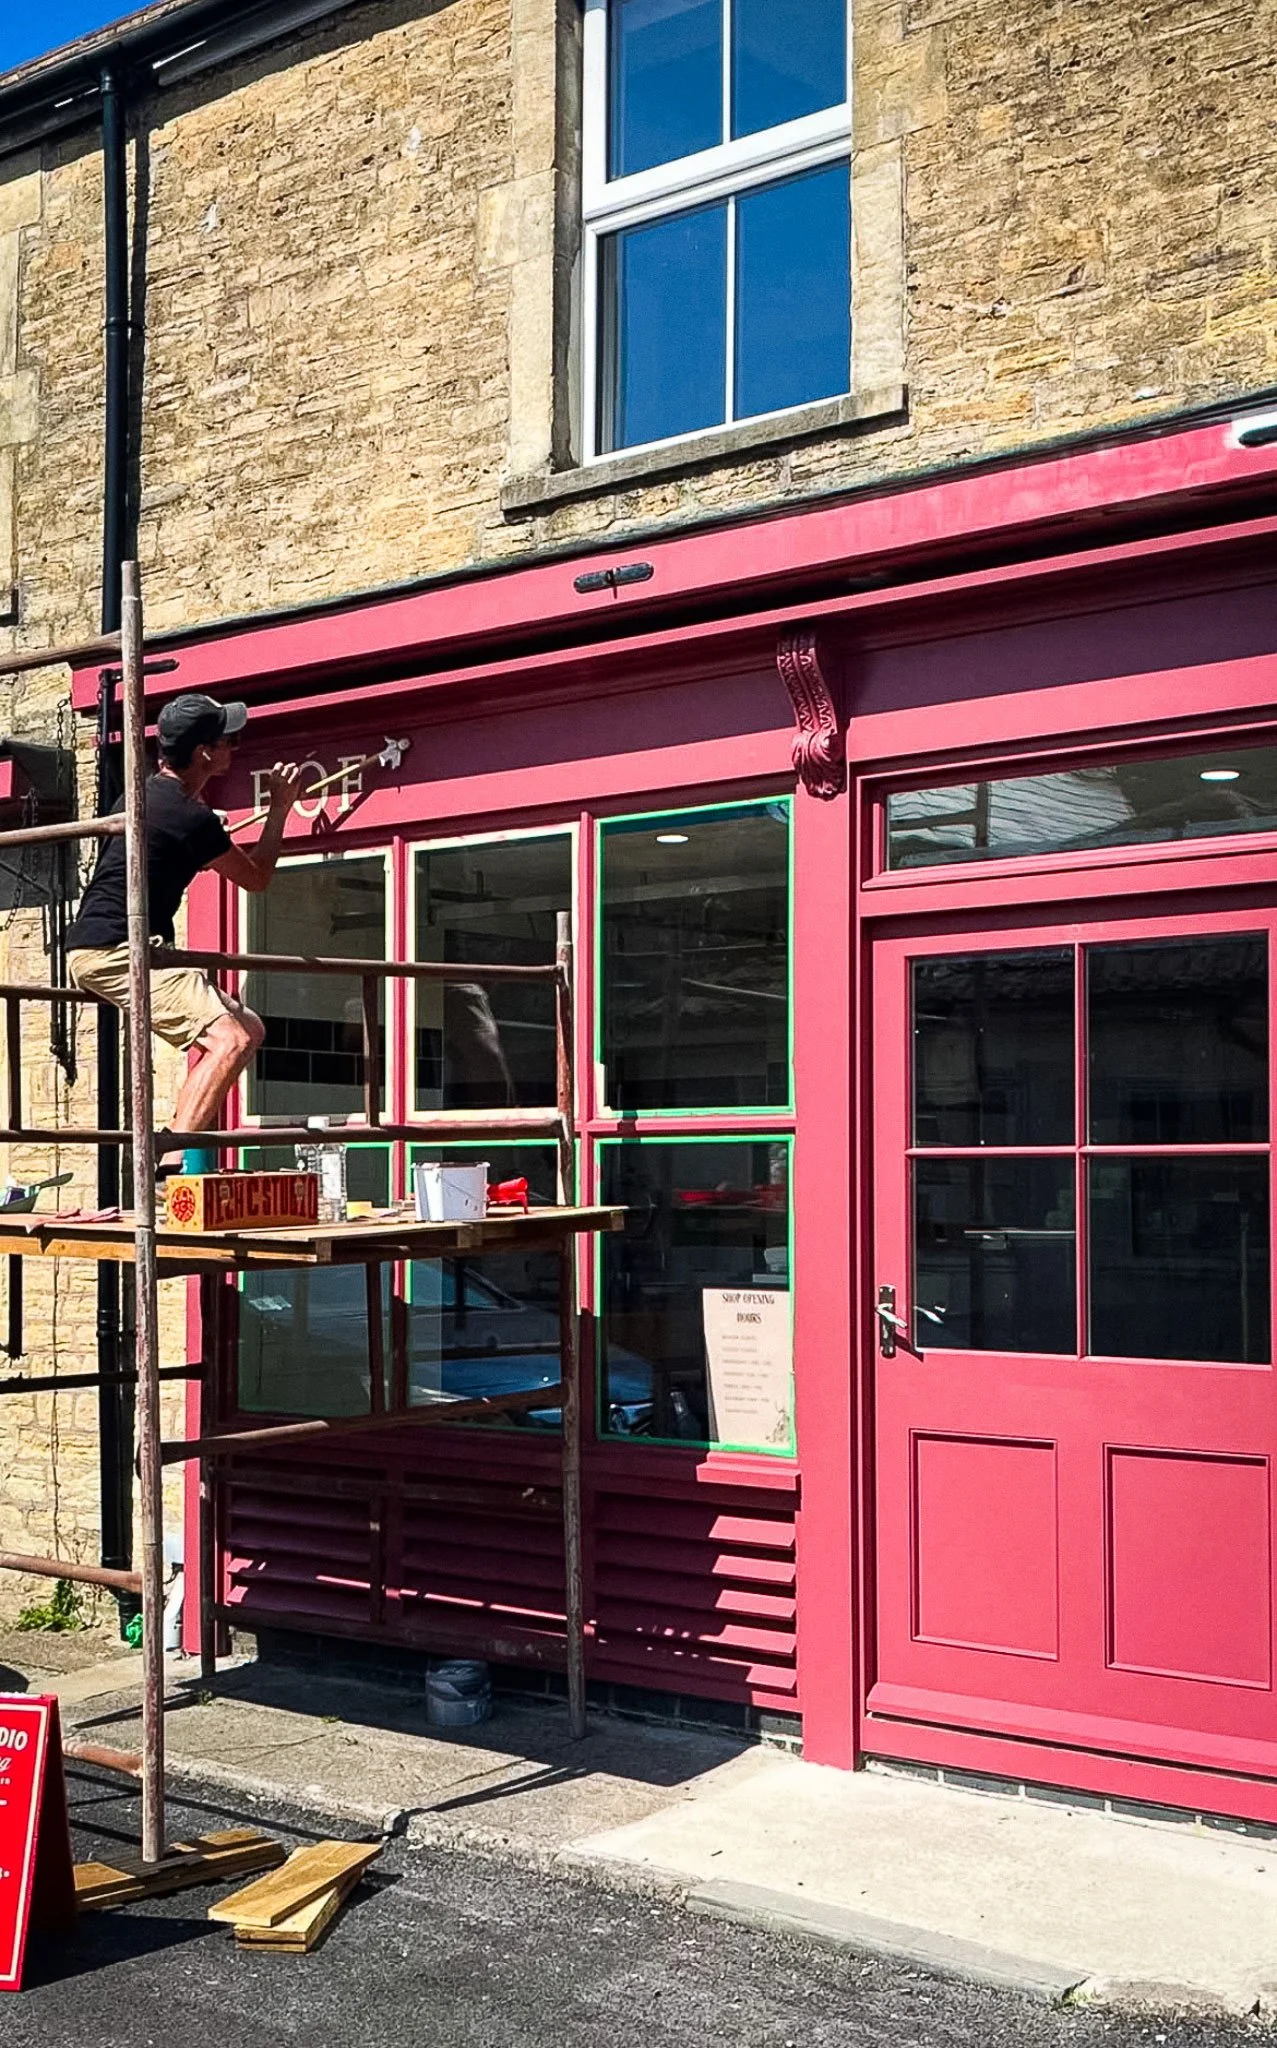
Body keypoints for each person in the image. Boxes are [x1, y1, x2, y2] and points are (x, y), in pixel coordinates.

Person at [65, 693, 302, 1170]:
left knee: (248, 1029)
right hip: (118, 948)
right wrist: (280, 810)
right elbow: (256, 878)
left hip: (103, 944)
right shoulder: (191, 819)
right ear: (203, 754)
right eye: (227, 742)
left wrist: (202, 841)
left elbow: (159, 846)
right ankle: (167, 1155)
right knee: (230, 1039)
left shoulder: (142, 797)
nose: (234, 749)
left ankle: (175, 1134)